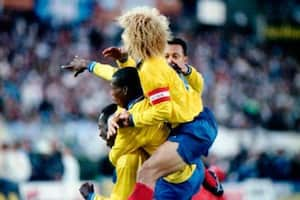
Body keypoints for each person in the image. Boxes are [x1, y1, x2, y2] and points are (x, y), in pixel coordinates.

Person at [80, 68, 204, 200]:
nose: (100, 134)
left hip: (177, 182)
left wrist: (92, 197)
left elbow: (115, 158)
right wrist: (92, 65)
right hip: (194, 165)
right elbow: (125, 76)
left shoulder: (128, 153)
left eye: (102, 128)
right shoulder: (147, 99)